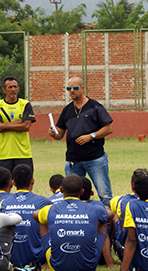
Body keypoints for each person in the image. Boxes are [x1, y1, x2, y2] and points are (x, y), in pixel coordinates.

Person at [48, 76, 114, 205]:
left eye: (75, 88)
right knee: (71, 195)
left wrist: (91, 136)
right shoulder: (67, 110)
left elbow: (108, 129)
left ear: (83, 88)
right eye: (69, 88)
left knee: (104, 194)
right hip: (73, 160)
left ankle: (109, 223)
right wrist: (54, 134)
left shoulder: (95, 106)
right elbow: (60, 134)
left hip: (95, 159)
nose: (72, 90)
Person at [35, 174, 114, 271]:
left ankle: (50, 255)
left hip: (57, 268)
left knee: (42, 220)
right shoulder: (93, 208)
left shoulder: (51, 209)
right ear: (81, 191)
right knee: (103, 220)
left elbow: (35, 214)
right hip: (88, 267)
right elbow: (110, 215)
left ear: (61, 190)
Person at [2, 163, 51, 269]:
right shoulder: (44, 202)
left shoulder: (4, 203)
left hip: (11, 258)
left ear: (13, 183)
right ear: (32, 181)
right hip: (38, 258)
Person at [0, 76, 36, 174]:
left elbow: (26, 127)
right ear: (4, 90)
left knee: (24, 185)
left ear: (18, 89)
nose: (13, 89)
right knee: (4, 185)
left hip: (23, 154)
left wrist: (4, 125)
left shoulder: (25, 104)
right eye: (10, 87)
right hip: (4, 154)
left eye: (15, 87)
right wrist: (19, 122)